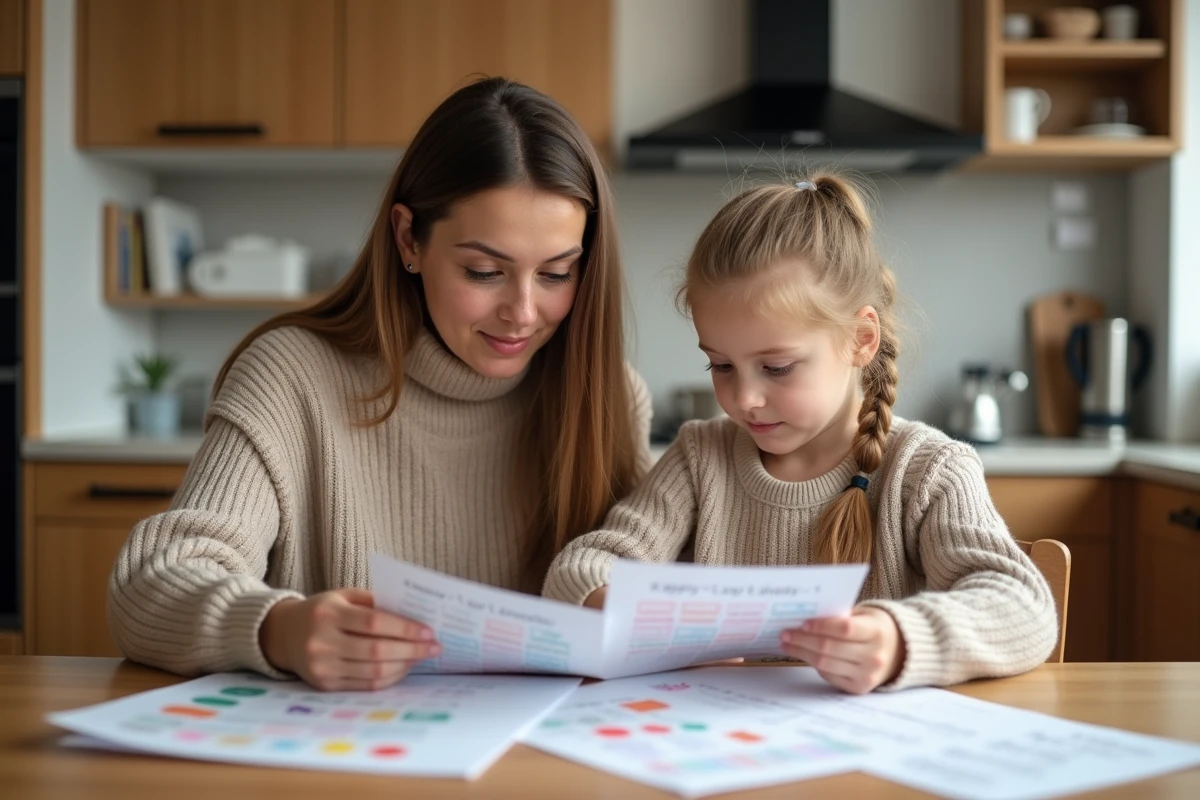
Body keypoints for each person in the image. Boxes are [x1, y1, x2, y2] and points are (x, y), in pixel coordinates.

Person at [109, 78, 652, 690]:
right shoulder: (290, 376)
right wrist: (279, 628)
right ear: (407, 239)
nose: (523, 312)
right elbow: (151, 583)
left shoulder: (609, 396)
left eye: (556, 274)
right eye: (484, 271)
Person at [543, 173, 1056, 694]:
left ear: (861, 340)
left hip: (867, 766)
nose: (744, 398)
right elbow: (580, 568)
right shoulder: (701, 456)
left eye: (778, 367)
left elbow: (1023, 607)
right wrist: (622, 610)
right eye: (720, 366)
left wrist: (900, 638)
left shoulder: (927, 470)